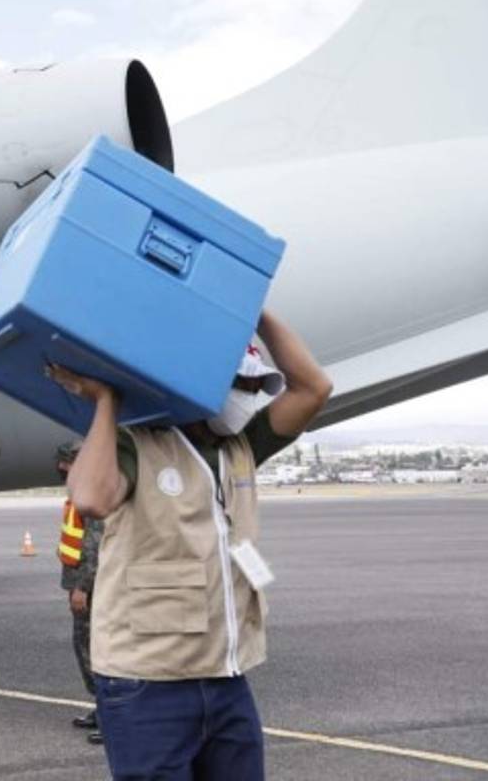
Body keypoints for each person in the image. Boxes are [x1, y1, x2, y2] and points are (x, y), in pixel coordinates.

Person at [48, 311, 331, 781]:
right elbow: (91, 497)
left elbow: (313, 389)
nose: (250, 395)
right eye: (240, 383)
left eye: (256, 387)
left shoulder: (242, 445)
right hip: (147, 683)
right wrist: (106, 403)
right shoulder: (137, 443)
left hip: (226, 678)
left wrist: (253, 311)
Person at [56, 441, 104, 745]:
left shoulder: (92, 494)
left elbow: (92, 546)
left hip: (91, 586)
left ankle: (112, 715)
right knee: (85, 647)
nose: (61, 469)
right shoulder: (80, 492)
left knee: (95, 650)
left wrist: (81, 587)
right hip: (83, 582)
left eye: (65, 463)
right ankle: (103, 708)